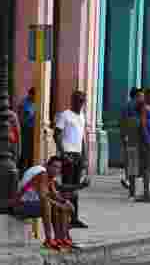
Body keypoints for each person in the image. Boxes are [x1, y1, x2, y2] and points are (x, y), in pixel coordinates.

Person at [14, 157, 75, 251]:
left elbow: (56, 196)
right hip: (20, 206)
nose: (56, 170)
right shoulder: (42, 175)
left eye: (59, 168)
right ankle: (48, 239)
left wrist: (66, 203)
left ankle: (61, 238)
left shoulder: (50, 178)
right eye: (54, 167)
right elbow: (44, 197)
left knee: (62, 206)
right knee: (48, 204)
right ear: (47, 166)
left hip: (32, 205)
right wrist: (59, 204)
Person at [54, 91, 88, 228]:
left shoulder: (82, 116)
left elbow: (82, 138)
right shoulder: (65, 115)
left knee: (75, 188)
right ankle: (64, 218)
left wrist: (84, 156)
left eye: (82, 101)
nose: (80, 103)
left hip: (78, 155)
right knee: (67, 187)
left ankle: (74, 218)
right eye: (78, 100)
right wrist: (63, 154)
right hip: (68, 154)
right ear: (72, 100)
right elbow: (57, 134)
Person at [121, 88, 143, 198]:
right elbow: (124, 122)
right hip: (134, 141)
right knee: (133, 165)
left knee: (132, 166)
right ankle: (133, 189)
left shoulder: (139, 109)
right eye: (140, 96)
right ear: (136, 96)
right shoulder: (132, 108)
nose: (141, 98)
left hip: (133, 141)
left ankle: (133, 189)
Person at [18, 88, 37, 171]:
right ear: (30, 94)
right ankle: (22, 170)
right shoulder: (24, 103)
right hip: (26, 129)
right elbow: (21, 118)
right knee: (24, 151)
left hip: (34, 130)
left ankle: (30, 170)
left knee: (32, 153)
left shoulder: (37, 103)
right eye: (33, 95)